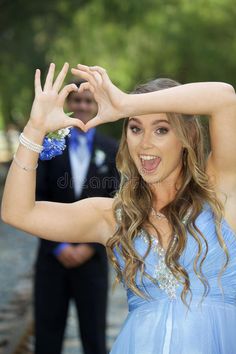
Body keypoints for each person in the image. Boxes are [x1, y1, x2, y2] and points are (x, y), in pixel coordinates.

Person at [1, 62, 236, 354]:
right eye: (135, 128)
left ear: (186, 137)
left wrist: (126, 103)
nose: (144, 144)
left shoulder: (220, 194)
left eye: (161, 129)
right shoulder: (113, 216)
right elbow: (17, 212)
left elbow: (225, 98)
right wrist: (35, 129)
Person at [34, 79, 119, 354]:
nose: (82, 106)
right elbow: (36, 197)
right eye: (77, 101)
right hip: (52, 257)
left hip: (92, 260)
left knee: (94, 338)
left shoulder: (112, 149)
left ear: (96, 106)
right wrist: (58, 246)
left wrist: (90, 246)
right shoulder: (49, 145)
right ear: (69, 104)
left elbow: (118, 204)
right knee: (47, 337)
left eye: (88, 101)